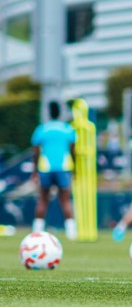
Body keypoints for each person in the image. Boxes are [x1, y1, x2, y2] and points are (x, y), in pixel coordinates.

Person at [31, 101, 78, 240]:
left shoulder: (42, 129)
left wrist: (34, 170)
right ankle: (71, 233)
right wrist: (75, 168)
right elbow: (73, 150)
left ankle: (36, 231)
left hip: (45, 168)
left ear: (49, 113)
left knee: (43, 200)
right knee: (65, 200)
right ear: (60, 113)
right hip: (63, 168)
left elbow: (36, 151)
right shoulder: (67, 129)